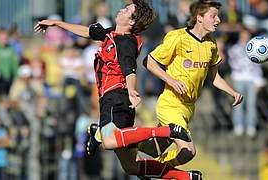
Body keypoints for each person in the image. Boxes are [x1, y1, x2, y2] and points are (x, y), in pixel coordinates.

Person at [35, 0, 201, 179]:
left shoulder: (125, 42)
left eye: (127, 9)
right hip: (115, 99)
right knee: (131, 166)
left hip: (116, 98)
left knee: (109, 140)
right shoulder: (112, 34)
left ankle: (166, 131)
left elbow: (129, 68)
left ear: (131, 22)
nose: (122, 9)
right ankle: (187, 177)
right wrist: (57, 24)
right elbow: (87, 31)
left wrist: (131, 90)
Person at [138, 0, 243, 168]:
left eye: (218, 16)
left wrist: (233, 92)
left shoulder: (211, 44)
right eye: (213, 16)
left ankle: (123, 140)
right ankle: (153, 168)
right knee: (188, 151)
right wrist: (171, 80)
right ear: (199, 18)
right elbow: (148, 61)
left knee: (152, 149)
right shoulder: (177, 37)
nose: (218, 20)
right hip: (170, 104)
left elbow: (214, 77)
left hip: (188, 108)